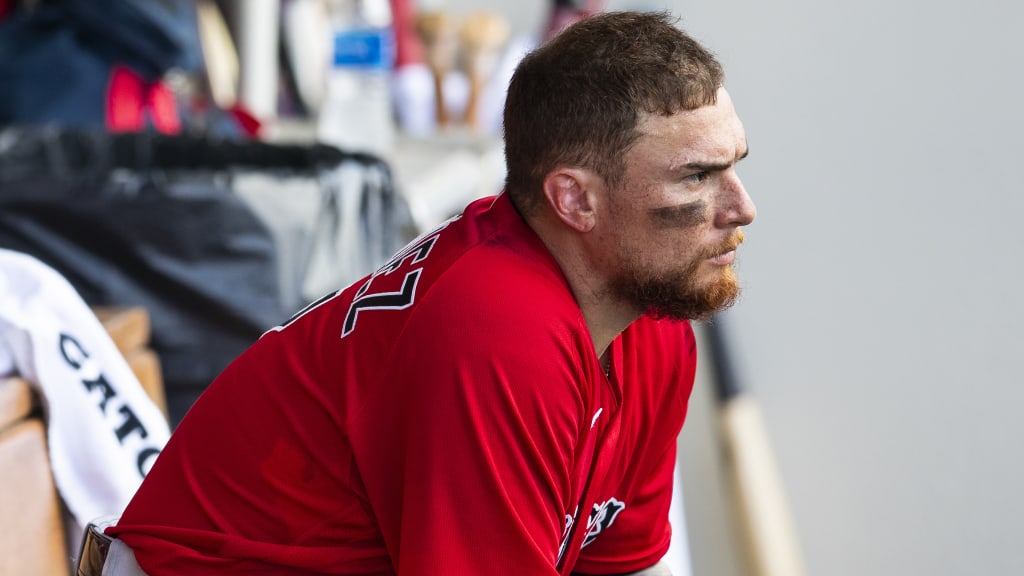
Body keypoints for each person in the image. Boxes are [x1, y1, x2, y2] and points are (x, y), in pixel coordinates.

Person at [104, 10, 755, 575]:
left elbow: (623, 564)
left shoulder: (653, 323)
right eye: (696, 178)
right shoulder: (502, 325)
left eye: (734, 166)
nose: (741, 207)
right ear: (574, 199)